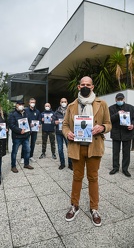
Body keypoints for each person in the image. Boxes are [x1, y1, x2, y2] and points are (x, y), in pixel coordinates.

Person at [62, 76, 111, 227]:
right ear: (78, 87)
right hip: (76, 147)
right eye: (82, 84)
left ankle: (94, 208)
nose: (85, 86)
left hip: (94, 147)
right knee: (77, 177)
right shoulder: (71, 105)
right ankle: (74, 205)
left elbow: (109, 124)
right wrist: (67, 133)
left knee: (93, 178)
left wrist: (102, 128)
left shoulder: (101, 104)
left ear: (92, 87)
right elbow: (64, 125)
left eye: (88, 84)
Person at [109, 93, 134, 177]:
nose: (120, 101)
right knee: (115, 152)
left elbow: (133, 119)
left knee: (126, 152)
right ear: (115, 100)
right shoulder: (111, 108)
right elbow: (109, 120)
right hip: (116, 133)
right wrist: (118, 114)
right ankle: (115, 168)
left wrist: (132, 125)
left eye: (121, 99)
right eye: (118, 99)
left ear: (124, 99)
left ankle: (125, 169)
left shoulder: (131, 108)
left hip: (127, 133)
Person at [8, 100, 34, 172]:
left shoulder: (25, 113)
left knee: (28, 150)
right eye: (19, 104)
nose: (21, 105)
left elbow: (28, 122)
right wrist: (19, 130)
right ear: (16, 105)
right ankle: (13, 166)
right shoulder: (12, 114)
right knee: (15, 151)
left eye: (22, 104)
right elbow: (11, 125)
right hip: (17, 137)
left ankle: (26, 164)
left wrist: (30, 126)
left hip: (26, 136)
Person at [52, 98, 72, 170]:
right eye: (62, 102)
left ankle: (70, 164)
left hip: (67, 133)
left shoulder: (70, 110)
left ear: (67, 102)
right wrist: (55, 122)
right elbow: (52, 121)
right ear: (60, 103)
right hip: (59, 133)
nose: (63, 103)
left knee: (69, 148)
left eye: (65, 102)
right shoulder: (56, 112)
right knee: (60, 149)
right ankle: (62, 164)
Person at [20, 98, 41, 163]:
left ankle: (30, 156)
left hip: (34, 130)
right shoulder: (25, 110)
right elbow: (22, 119)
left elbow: (39, 119)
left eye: (34, 102)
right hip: (27, 130)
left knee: (33, 143)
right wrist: (29, 124)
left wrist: (39, 124)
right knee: (25, 143)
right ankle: (23, 157)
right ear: (29, 103)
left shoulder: (37, 111)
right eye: (31, 102)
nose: (33, 103)